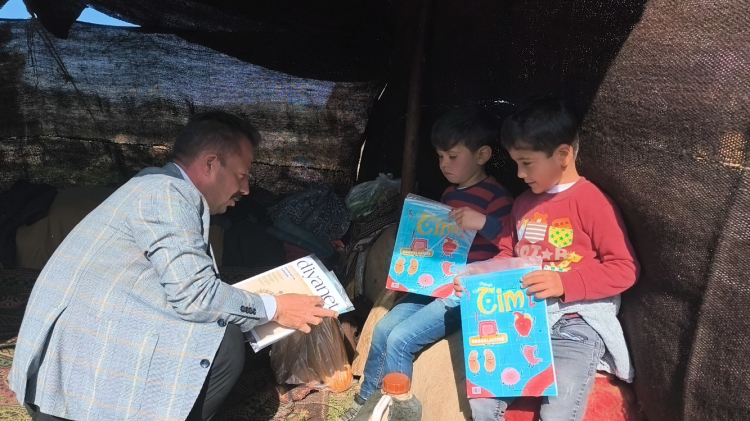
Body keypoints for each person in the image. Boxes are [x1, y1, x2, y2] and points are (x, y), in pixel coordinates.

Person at [9, 111, 338, 421]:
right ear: (210, 164)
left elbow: (185, 287)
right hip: (67, 384)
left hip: (71, 365)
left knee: (221, 319)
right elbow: (195, 297)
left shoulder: (159, 187)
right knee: (221, 339)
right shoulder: (166, 194)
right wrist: (276, 307)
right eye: (241, 175)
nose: (246, 189)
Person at [454, 97, 640, 421]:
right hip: (520, 319)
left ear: (563, 155)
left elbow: (625, 269)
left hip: (575, 324)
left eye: (527, 163)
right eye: (516, 163)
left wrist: (564, 283)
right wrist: (478, 275)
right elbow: (509, 255)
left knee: (560, 408)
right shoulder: (522, 204)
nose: (519, 173)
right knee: (483, 399)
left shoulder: (592, 203)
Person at [341, 106, 514, 420]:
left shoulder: (497, 198)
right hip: (434, 284)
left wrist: (483, 222)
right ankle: (365, 402)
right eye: (439, 156)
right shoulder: (449, 194)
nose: (444, 164)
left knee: (400, 339)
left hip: (464, 292)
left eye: (452, 156)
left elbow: (512, 245)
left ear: (482, 155)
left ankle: (398, 412)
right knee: (383, 328)